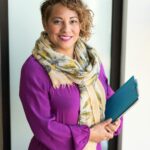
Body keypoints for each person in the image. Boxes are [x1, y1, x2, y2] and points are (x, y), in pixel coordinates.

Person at [19, 0, 123, 150]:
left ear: (80, 24)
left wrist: (115, 120)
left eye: (73, 21)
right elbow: (43, 128)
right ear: (45, 23)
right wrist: (88, 135)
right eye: (57, 21)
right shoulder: (33, 69)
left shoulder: (91, 62)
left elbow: (107, 97)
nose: (66, 29)